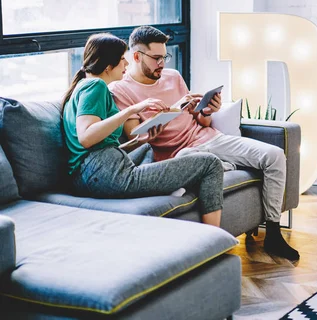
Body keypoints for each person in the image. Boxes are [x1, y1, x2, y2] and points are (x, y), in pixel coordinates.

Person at [109, 26, 299, 261]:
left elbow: (198, 118)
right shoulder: (121, 89)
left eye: (164, 57)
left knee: (275, 155)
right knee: (204, 165)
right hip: (179, 155)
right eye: (157, 58)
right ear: (136, 56)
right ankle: (223, 165)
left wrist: (207, 110)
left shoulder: (173, 76)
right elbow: (135, 138)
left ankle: (272, 232)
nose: (162, 64)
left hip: (208, 138)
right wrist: (156, 126)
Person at [61, 33, 224, 227]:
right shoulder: (95, 86)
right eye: (122, 59)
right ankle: (213, 237)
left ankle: (167, 184)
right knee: (210, 164)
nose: (127, 65)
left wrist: (140, 140)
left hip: (97, 171)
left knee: (147, 147)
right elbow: (86, 137)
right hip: (100, 173)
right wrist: (132, 109)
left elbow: (99, 145)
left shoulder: (83, 86)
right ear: (108, 65)